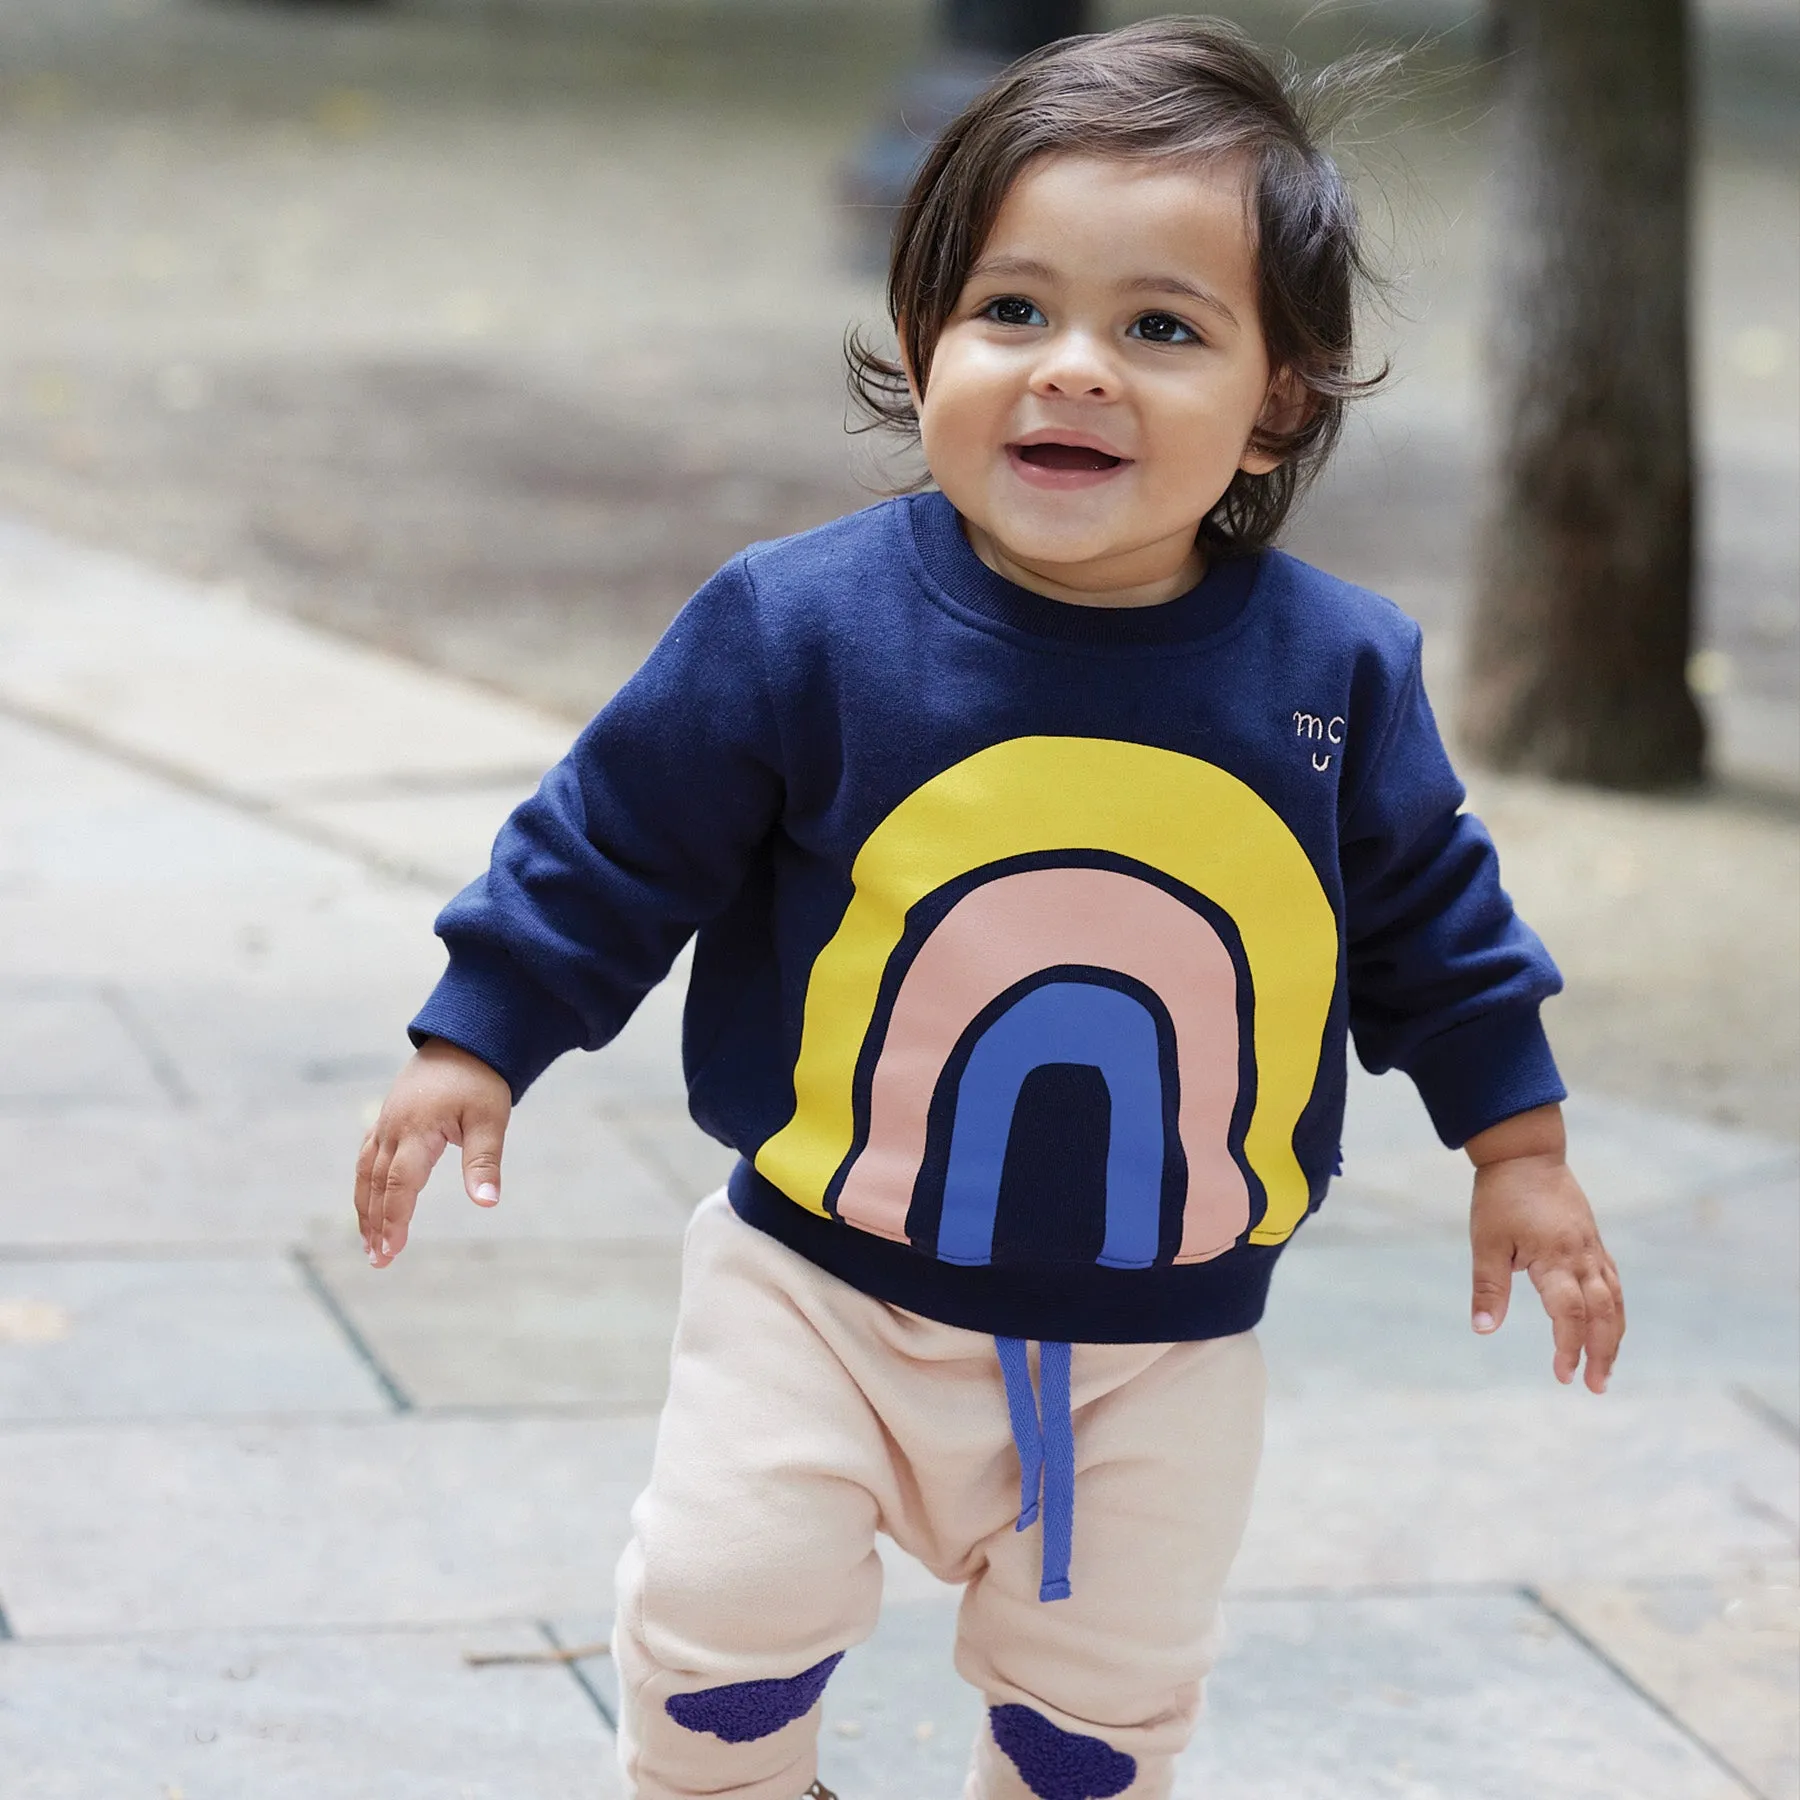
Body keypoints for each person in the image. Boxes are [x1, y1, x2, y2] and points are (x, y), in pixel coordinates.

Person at [353, 19, 1625, 1800]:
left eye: (1160, 328)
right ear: (924, 337)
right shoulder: (802, 628)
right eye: (1011, 311)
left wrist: (1524, 1152)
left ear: (1279, 400)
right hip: (819, 1290)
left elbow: (1438, 929)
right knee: (726, 1614)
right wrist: (472, 1035)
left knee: (1098, 1717)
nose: (1072, 371)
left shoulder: (1335, 669)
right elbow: (614, 839)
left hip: (1162, 1349)